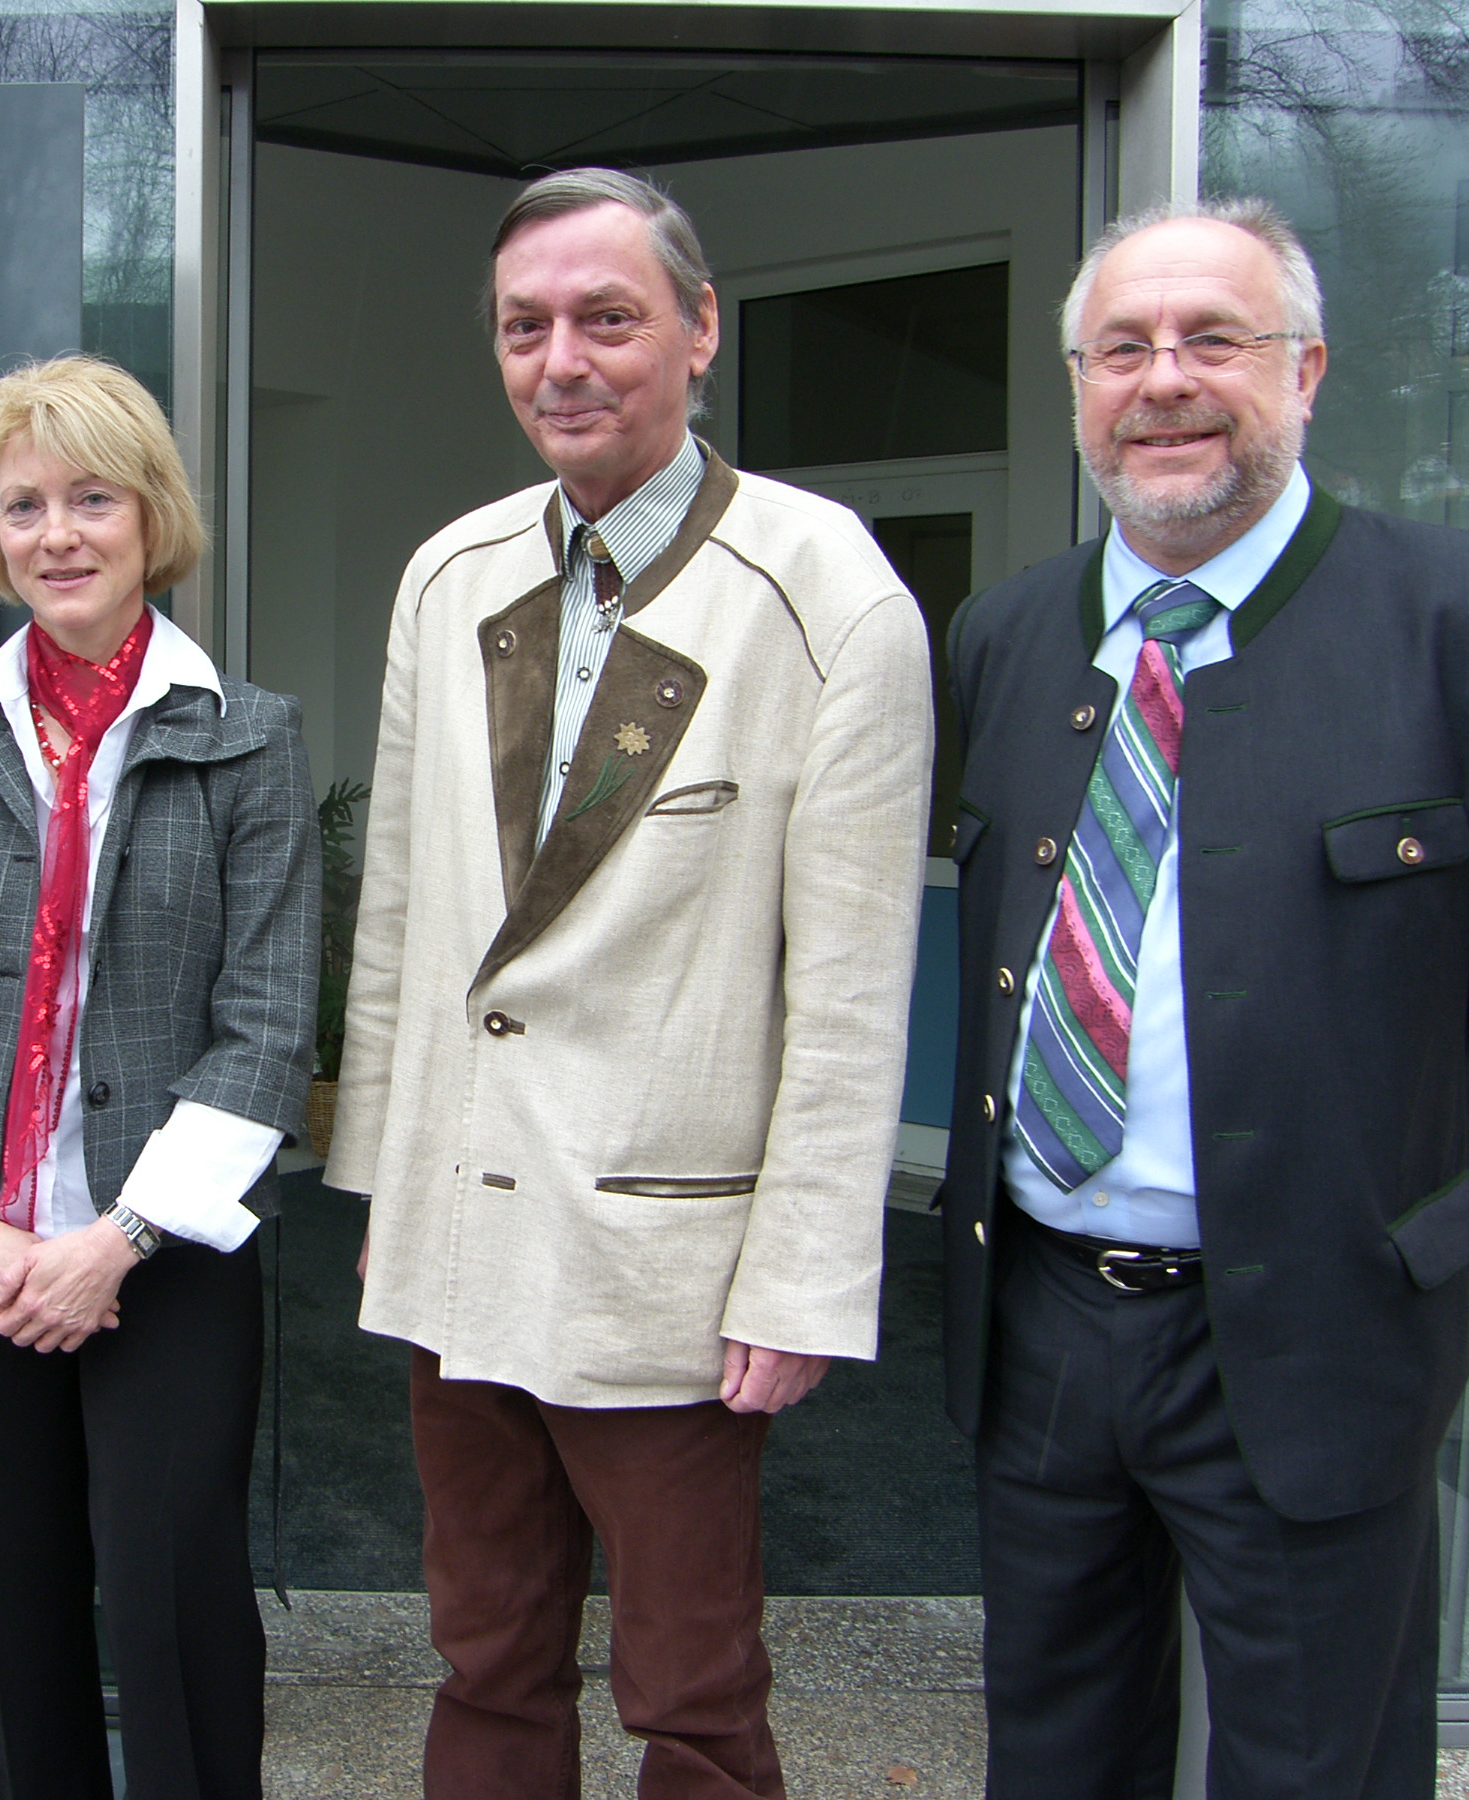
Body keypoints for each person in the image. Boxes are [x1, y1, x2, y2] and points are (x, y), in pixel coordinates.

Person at [326, 167, 933, 1797]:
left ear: (701, 331)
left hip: (666, 1252)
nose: (563, 359)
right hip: (459, 1235)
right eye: (527, 326)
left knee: (694, 1694)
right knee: (484, 1653)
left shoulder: (829, 590)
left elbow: (854, 984)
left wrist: (805, 1275)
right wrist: (387, 1173)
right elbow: (402, 913)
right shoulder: (450, 575)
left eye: (609, 317)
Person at [939, 197, 1469, 1799]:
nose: (1166, 380)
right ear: (1077, 388)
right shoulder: (1006, 632)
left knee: (1317, 1763)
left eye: (1215, 339)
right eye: (1123, 348)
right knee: (1053, 1753)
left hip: (1320, 1322)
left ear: (1308, 368)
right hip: (1046, 1320)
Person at [0, 354, 318, 1800]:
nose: (58, 534)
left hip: (162, 1253)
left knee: (174, 1607)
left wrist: (117, 1241)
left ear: (150, 514)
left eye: (91, 498)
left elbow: (267, 1024)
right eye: (25, 503)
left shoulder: (247, 738)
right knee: (10, 1608)